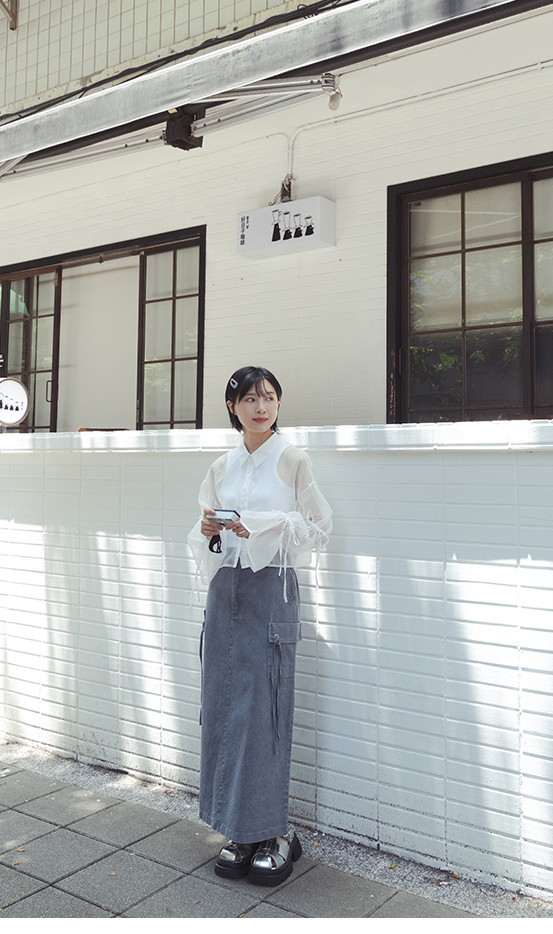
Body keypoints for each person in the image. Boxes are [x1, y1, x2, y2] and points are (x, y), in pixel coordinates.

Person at [187, 366, 332, 886]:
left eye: (269, 397)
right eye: (250, 399)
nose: (261, 407)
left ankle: (276, 833)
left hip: (271, 590)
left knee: (265, 709)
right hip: (225, 591)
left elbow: (320, 527)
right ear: (233, 407)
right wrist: (209, 527)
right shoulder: (221, 465)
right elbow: (207, 536)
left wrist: (265, 526)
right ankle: (238, 830)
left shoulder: (293, 459)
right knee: (225, 706)